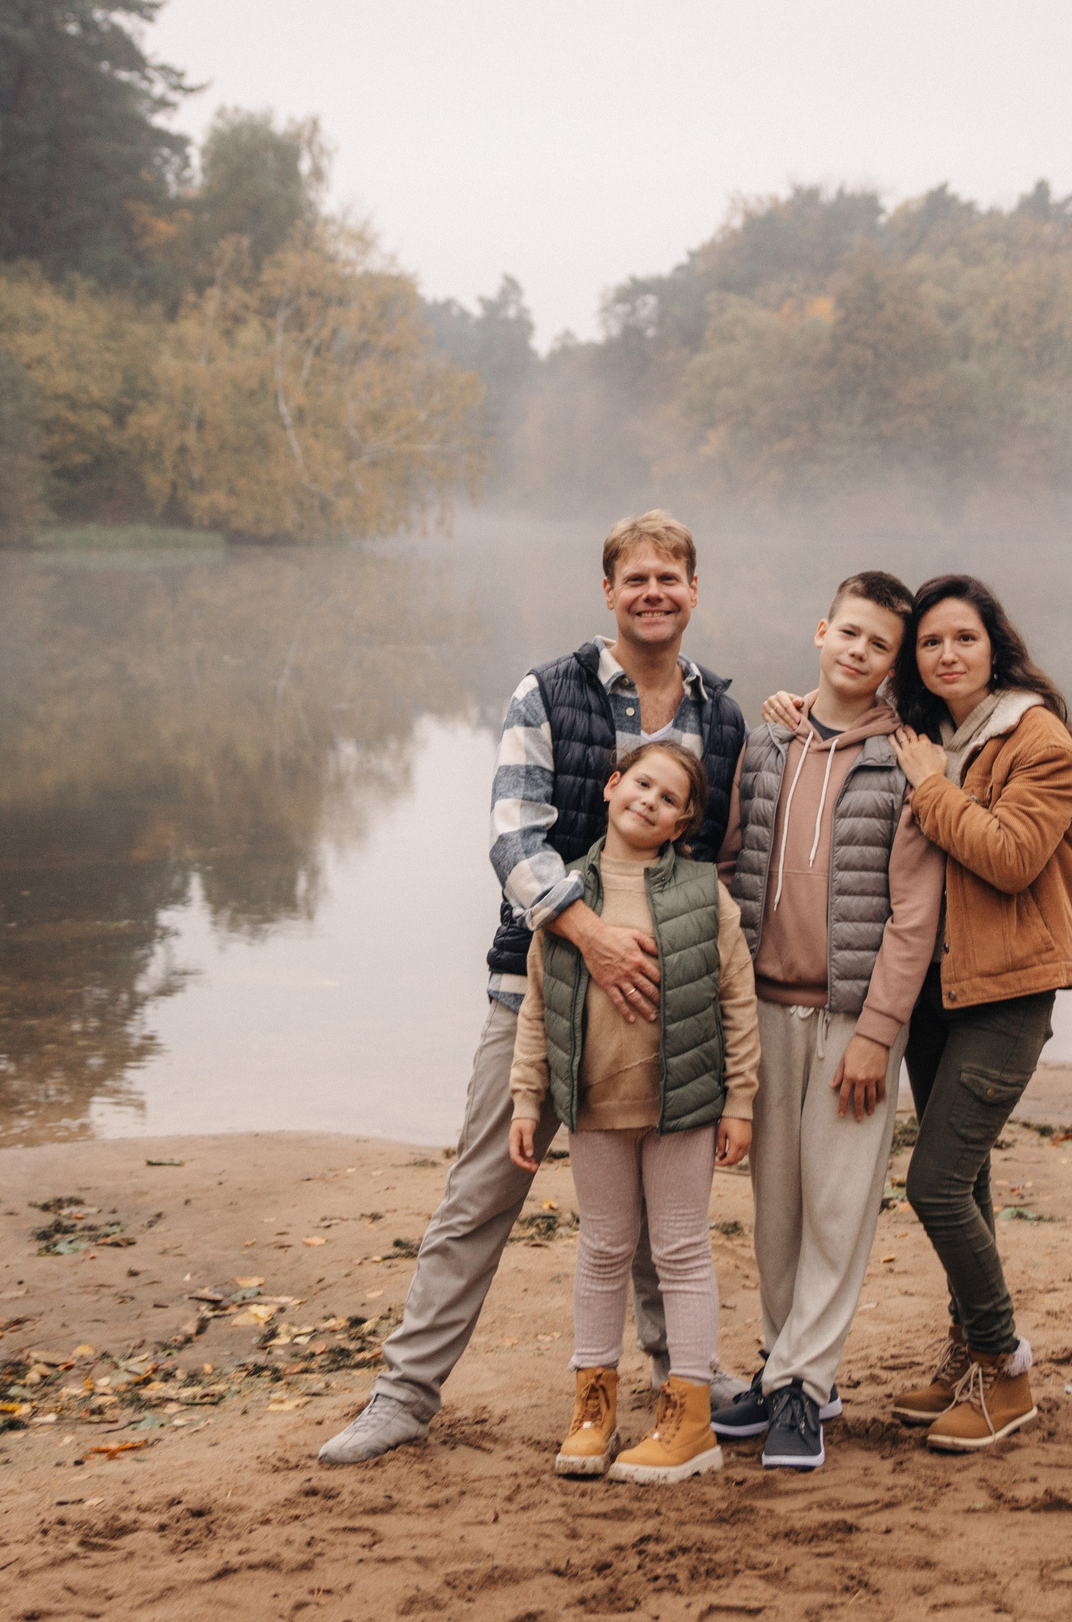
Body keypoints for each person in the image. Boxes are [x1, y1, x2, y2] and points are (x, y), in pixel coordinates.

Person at [317, 511, 748, 1466]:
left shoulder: (720, 711)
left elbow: (722, 860)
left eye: (669, 578)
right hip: (540, 991)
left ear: (692, 590)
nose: (652, 593)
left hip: (666, 1012)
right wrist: (589, 936)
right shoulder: (547, 690)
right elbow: (514, 836)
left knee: (652, 1215)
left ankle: (684, 1377)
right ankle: (404, 1395)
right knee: (482, 1192)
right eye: (634, 577)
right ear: (608, 591)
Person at [707, 571, 942, 1472]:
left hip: (851, 1021)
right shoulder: (767, 746)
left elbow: (913, 915)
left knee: (838, 1205)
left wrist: (880, 1029)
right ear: (820, 631)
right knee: (776, 1206)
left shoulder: (905, 761)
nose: (858, 651)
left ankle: (807, 1387)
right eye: (848, 633)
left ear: (891, 662)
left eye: (878, 643)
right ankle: (785, 1366)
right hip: (765, 1007)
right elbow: (731, 864)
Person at [874, 574, 1072, 1453]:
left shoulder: (1038, 740)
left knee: (932, 1183)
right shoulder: (929, 734)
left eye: (962, 638)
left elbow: (1009, 858)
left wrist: (932, 789)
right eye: (929, 643)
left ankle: (1007, 1367)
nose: (946, 654)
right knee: (968, 1181)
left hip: (1008, 992)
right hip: (937, 990)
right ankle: (969, 1353)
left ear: (993, 645)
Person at [506, 741, 760, 1483]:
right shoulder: (566, 893)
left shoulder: (702, 893)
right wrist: (528, 1097)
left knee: (680, 1249)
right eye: (641, 783)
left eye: (669, 797)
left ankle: (689, 1417)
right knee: (604, 1249)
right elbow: (535, 1007)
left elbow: (736, 1000)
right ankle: (594, 1407)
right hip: (594, 1103)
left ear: (683, 823)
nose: (649, 799)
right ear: (614, 785)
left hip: (680, 1102)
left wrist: (739, 1100)